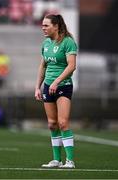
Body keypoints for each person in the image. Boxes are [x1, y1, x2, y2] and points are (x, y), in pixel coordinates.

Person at [35, 14, 78, 168]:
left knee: (63, 122)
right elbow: (43, 66)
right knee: (52, 124)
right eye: (42, 25)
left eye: (46, 25)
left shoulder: (68, 42)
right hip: (48, 85)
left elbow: (72, 66)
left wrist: (57, 81)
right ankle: (56, 160)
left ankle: (70, 161)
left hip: (63, 85)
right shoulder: (46, 43)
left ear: (56, 26)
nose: (43, 28)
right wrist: (37, 87)